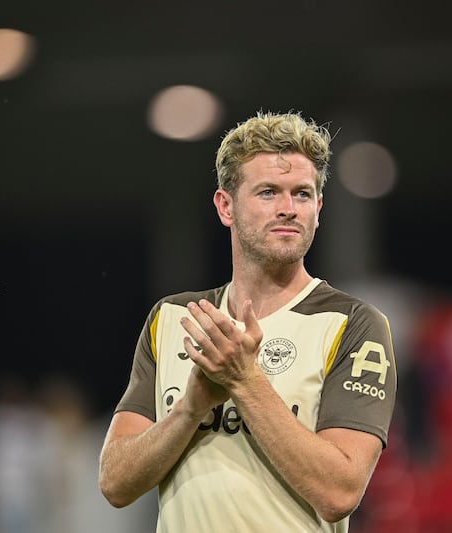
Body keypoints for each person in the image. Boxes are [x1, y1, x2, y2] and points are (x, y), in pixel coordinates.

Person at [99, 110, 398, 532]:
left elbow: (341, 493)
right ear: (226, 206)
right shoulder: (173, 319)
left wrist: (244, 380)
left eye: (303, 194)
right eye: (268, 192)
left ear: (319, 209)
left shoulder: (354, 324)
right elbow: (115, 482)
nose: (288, 209)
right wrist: (190, 410)